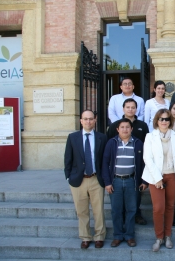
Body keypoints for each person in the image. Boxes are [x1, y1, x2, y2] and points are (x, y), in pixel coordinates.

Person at [142, 109, 175, 252]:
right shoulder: (150, 136)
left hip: (173, 175)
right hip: (155, 177)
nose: (164, 122)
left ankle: (168, 236)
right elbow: (147, 158)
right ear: (156, 121)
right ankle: (159, 237)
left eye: (167, 119)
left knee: (170, 207)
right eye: (161, 119)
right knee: (158, 208)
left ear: (170, 121)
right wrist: (158, 178)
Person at [64, 110, 107, 249]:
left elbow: (104, 160)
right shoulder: (72, 137)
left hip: (96, 178)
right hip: (78, 180)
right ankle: (85, 237)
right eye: (85, 119)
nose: (88, 121)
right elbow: (68, 159)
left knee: (98, 210)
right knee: (81, 210)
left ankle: (99, 236)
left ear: (95, 120)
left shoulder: (102, 137)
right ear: (81, 121)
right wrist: (68, 176)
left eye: (91, 119)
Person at [101, 118, 146, 247]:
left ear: (131, 129)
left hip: (132, 181)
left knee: (131, 209)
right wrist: (107, 182)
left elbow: (143, 164)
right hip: (115, 181)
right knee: (116, 210)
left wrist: (143, 181)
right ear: (117, 129)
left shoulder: (138, 143)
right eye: (122, 127)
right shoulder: (111, 143)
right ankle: (118, 235)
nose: (125, 129)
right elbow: (105, 163)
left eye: (127, 127)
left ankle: (130, 236)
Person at [107, 98, 149, 225]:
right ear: (123, 109)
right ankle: (124, 217)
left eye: (133, 107)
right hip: (119, 167)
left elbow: (147, 145)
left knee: (136, 194)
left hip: (137, 165)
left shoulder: (142, 125)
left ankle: (136, 214)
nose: (130, 109)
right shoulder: (115, 125)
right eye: (128, 107)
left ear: (136, 109)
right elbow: (110, 145)